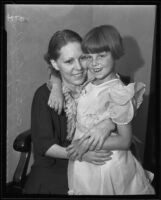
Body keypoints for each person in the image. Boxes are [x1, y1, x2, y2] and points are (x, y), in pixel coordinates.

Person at [48, 25, 155, 195]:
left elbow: (124, 141)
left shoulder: (119, 92)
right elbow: (57, 70)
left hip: (107, 164)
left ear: (115, 53)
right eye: (88, 57)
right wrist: (56, 84)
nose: (94, 63)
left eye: (101, 56)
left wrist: (83, 145)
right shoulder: (91, 78)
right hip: (86, 160)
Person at [23, 29, 115, 194]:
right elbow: (45, 145)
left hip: (93, 156)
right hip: (57, 164)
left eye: (82, 58)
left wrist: (109, 123)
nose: (78, 67)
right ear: (55, 64)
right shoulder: (44, 96)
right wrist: (80, 155)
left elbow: (121, 101)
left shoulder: (96, 83)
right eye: (69, 61)